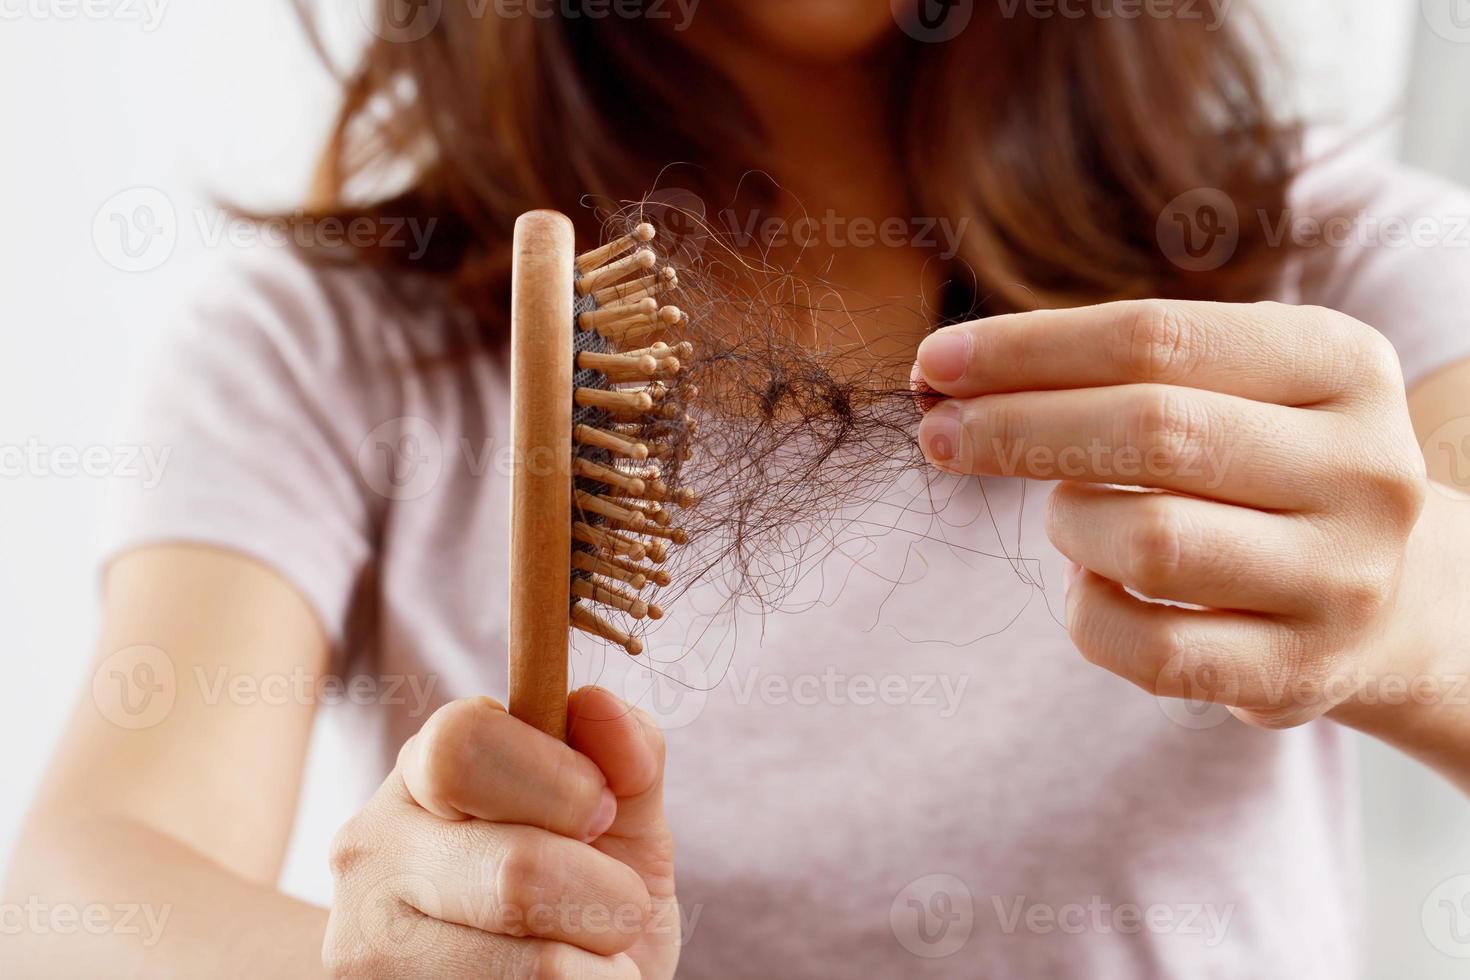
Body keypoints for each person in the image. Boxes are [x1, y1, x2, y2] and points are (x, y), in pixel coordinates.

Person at [8, 2, 1470, 976]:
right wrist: (367, 954)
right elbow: (76, 895)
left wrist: (1405, 614)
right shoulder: (330, 342)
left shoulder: (1334, 264)